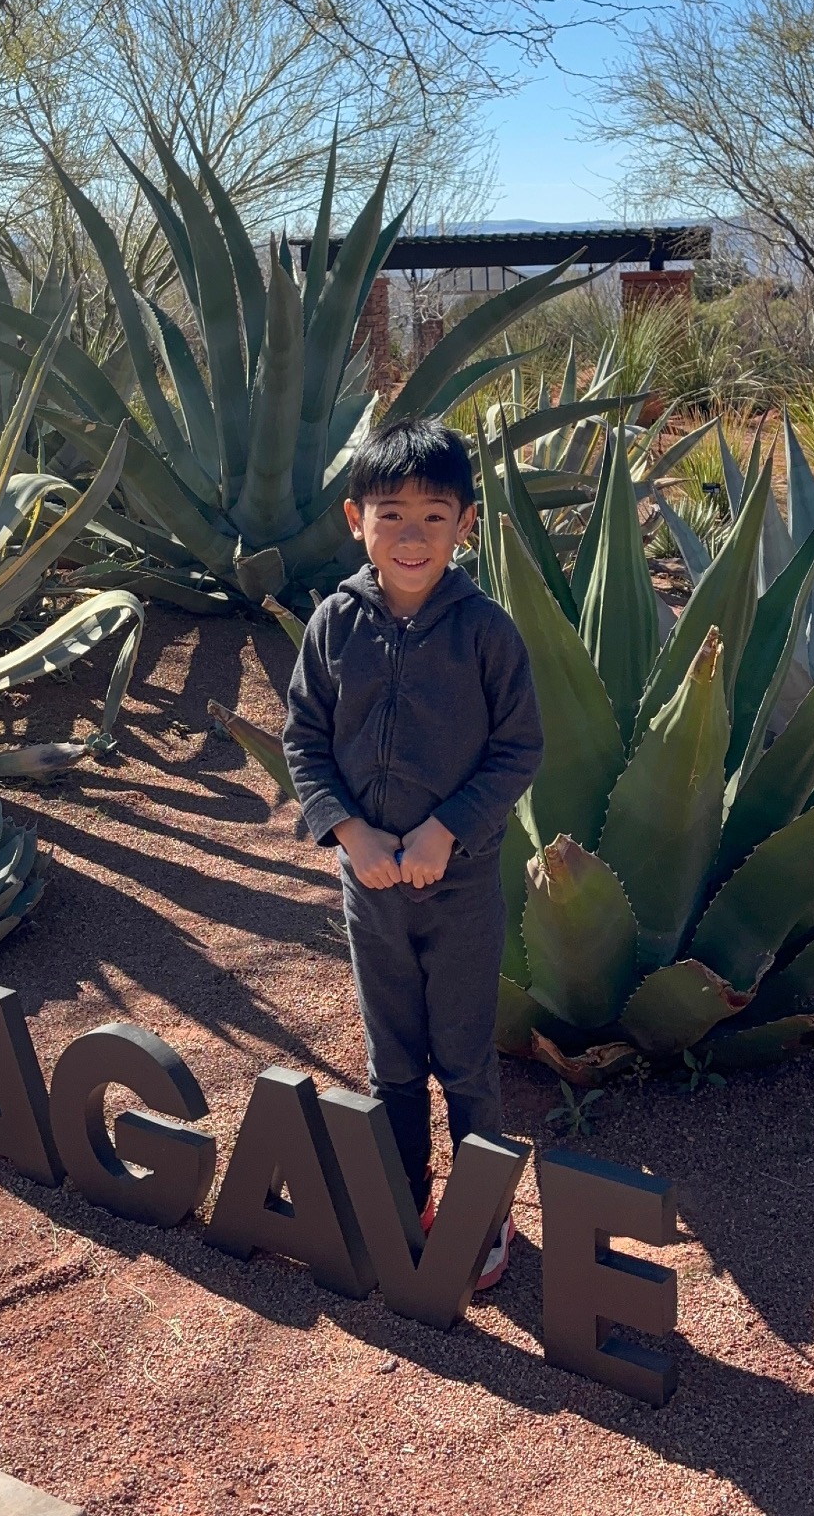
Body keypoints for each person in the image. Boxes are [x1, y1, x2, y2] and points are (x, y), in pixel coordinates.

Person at [283, 415, 543, 1291]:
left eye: (434, 517)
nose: (411, 537)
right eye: (390, 515)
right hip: (371, 890)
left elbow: (518, 749)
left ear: (465, 524)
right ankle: (402, 1202)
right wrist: (348, 832)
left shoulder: (487, 632)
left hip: (460, 889)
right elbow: (304, 741)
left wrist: (445, 830)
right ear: (355, 519)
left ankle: (484, 1217)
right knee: (390, 1061)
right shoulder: (333, 624)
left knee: (464, 1062)